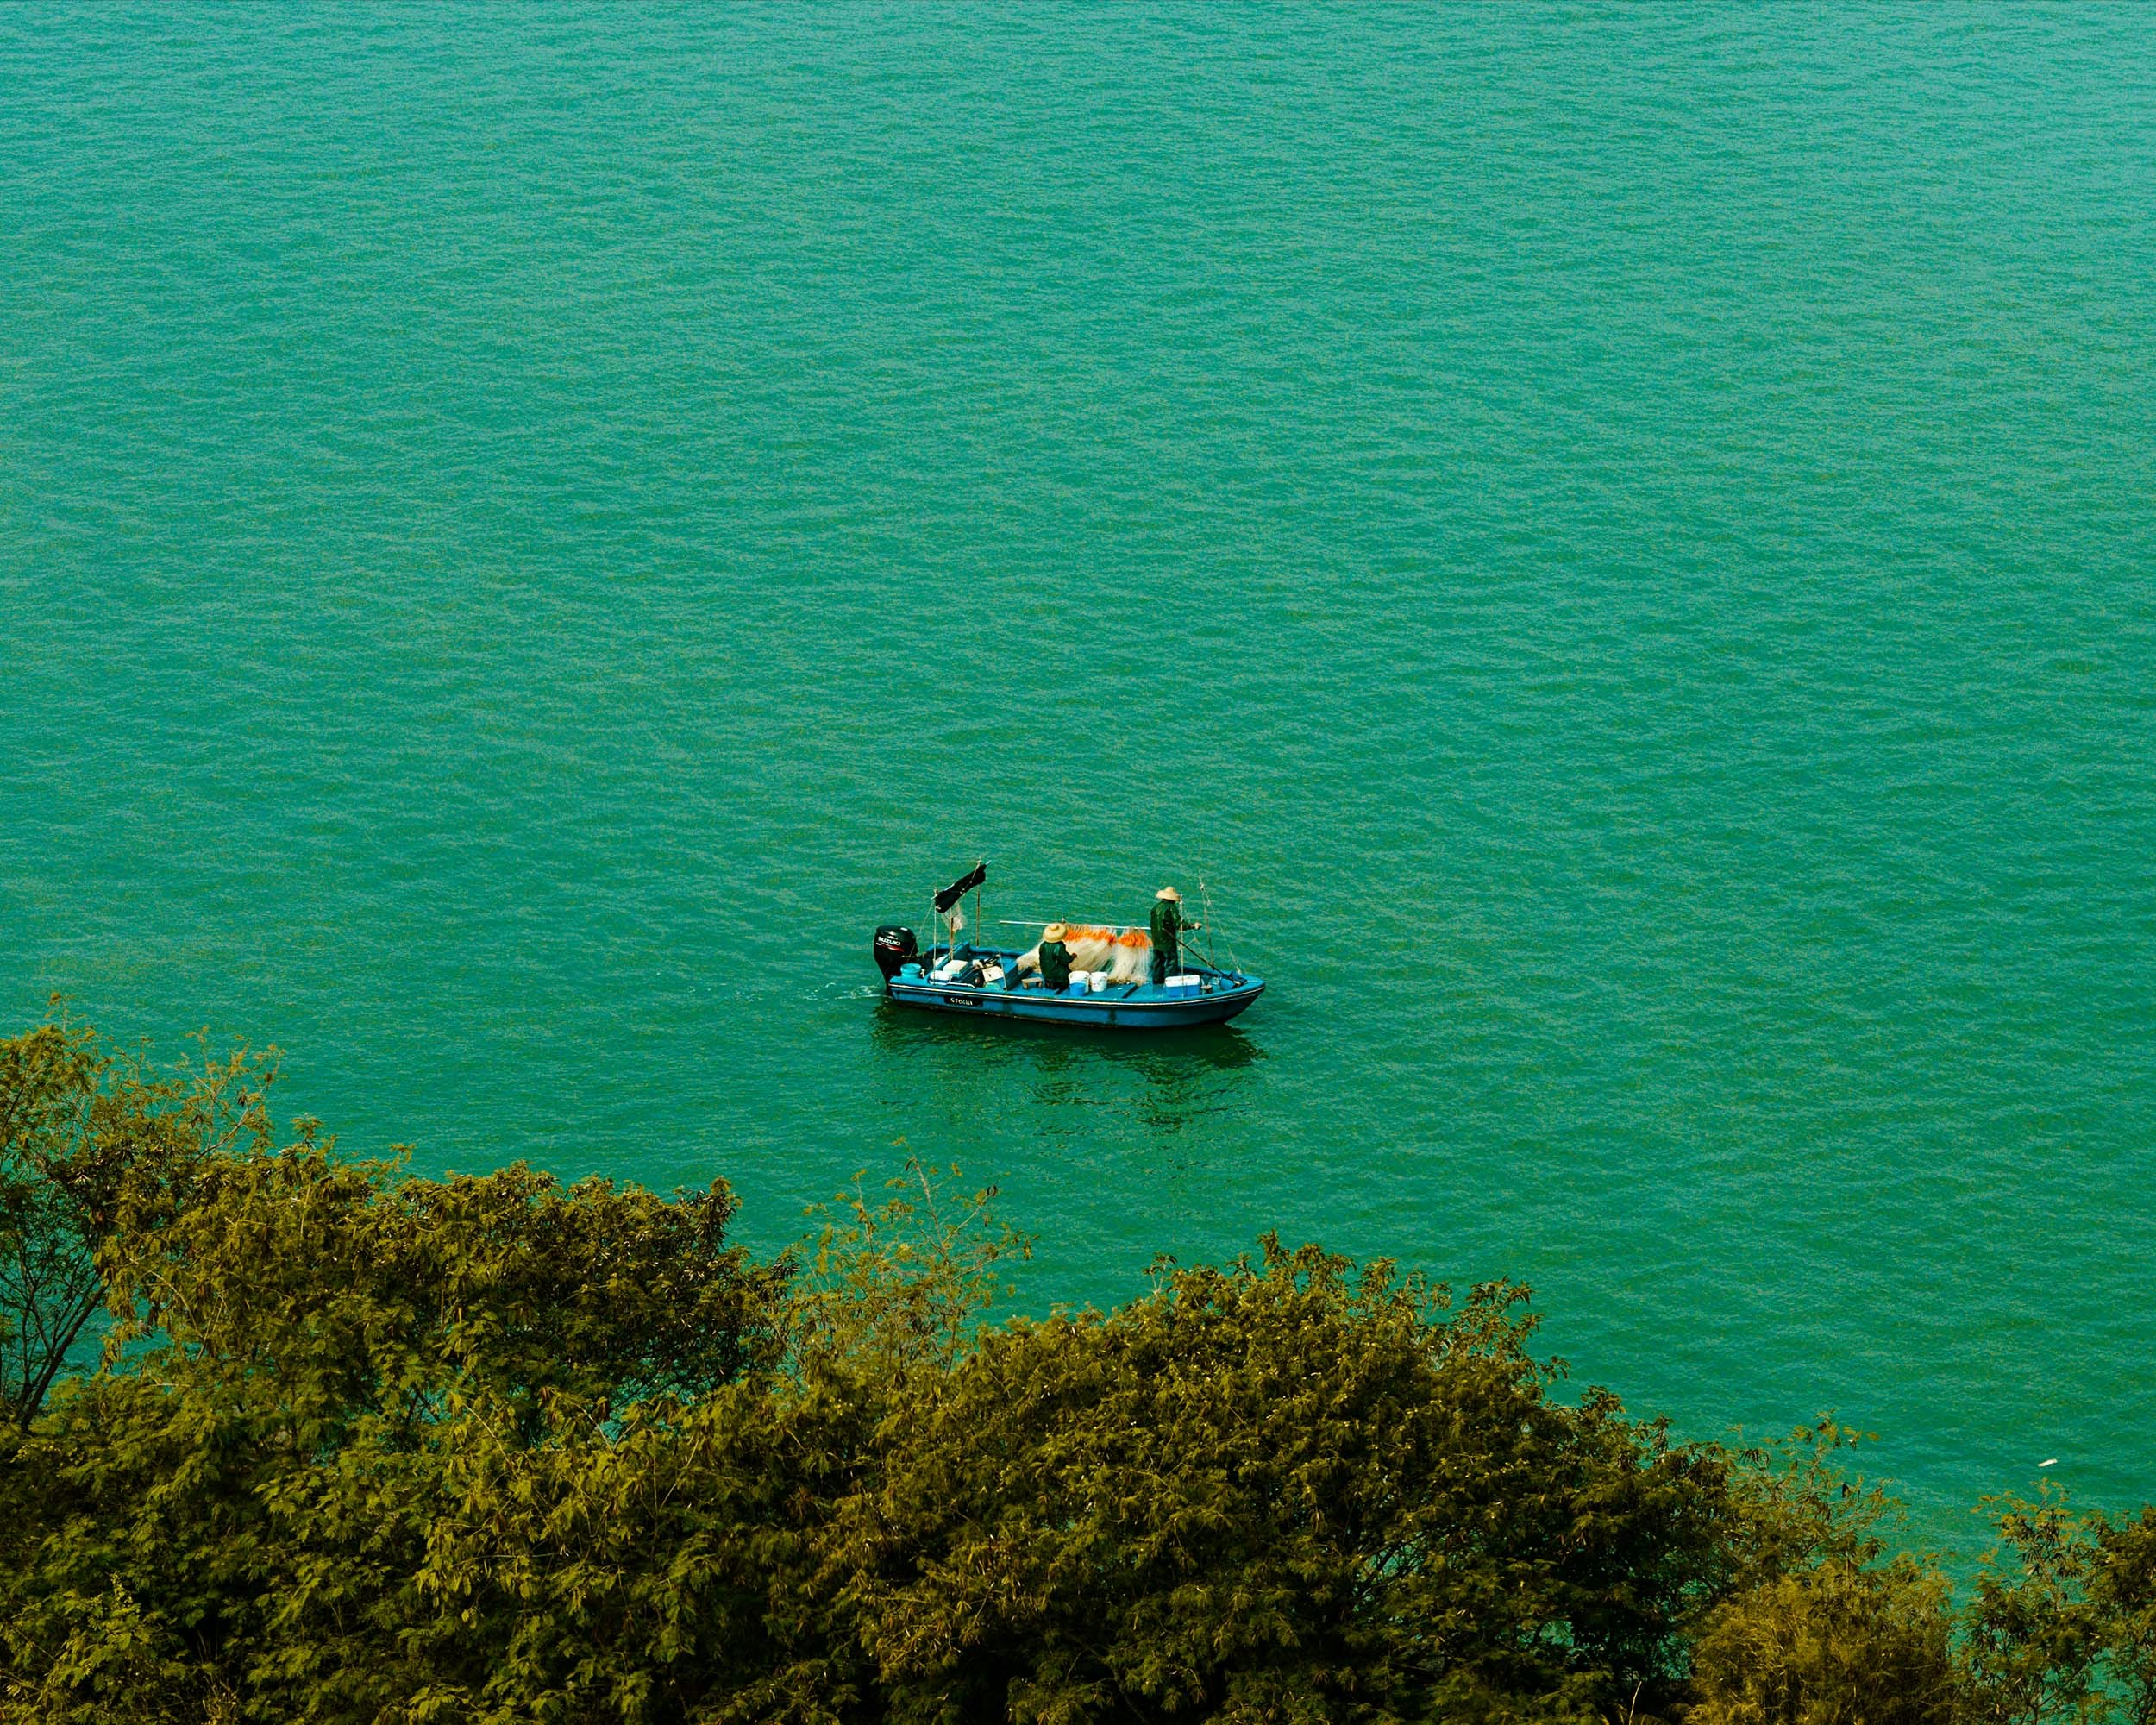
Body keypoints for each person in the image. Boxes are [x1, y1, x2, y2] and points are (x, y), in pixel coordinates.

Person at [1150, 888, 1188, 985]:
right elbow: (1179, 925)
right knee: (1171, 961)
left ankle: (1157, 981)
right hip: (1167, 940)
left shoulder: (1155, 907)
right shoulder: (1171, 908)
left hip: (1156, 940)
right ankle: (1170, 983)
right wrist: (1192, 925)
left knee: (1158, 961)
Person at [1037, 922, 1073, 991]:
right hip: (1057, 976)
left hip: (1045, 974)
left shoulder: (1042, 945)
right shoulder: (1059, 947)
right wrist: (1073, 956)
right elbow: (1067, 960)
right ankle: (1062, 984)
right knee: (1068, 973)